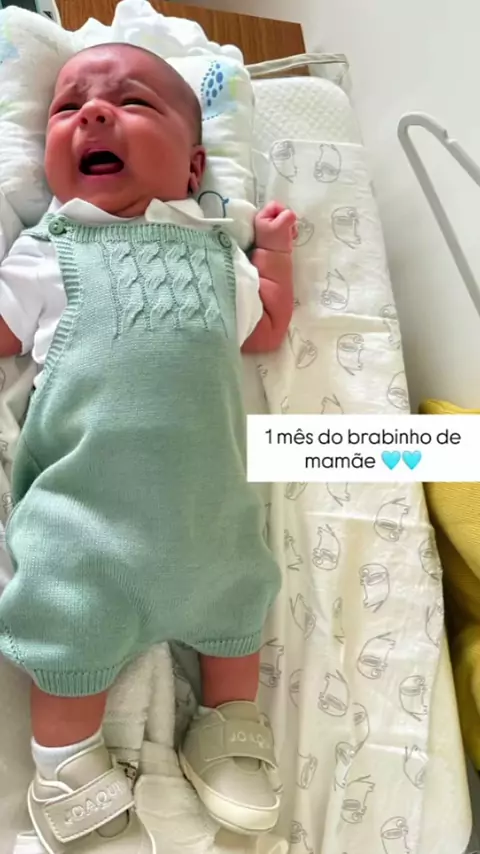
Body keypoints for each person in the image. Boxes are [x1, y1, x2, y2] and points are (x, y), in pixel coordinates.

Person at [0, 42, 296, 853]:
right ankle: (64, 761)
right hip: (84, 521)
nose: (94, 112)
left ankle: (228, 724)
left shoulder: (218, 250)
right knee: (66, 627)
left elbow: (266, 329)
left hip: (208, 515)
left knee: (239, 601)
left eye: (131, 102)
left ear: (195, 163)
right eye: (68, 108)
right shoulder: (50, 249)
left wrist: (273, 254)